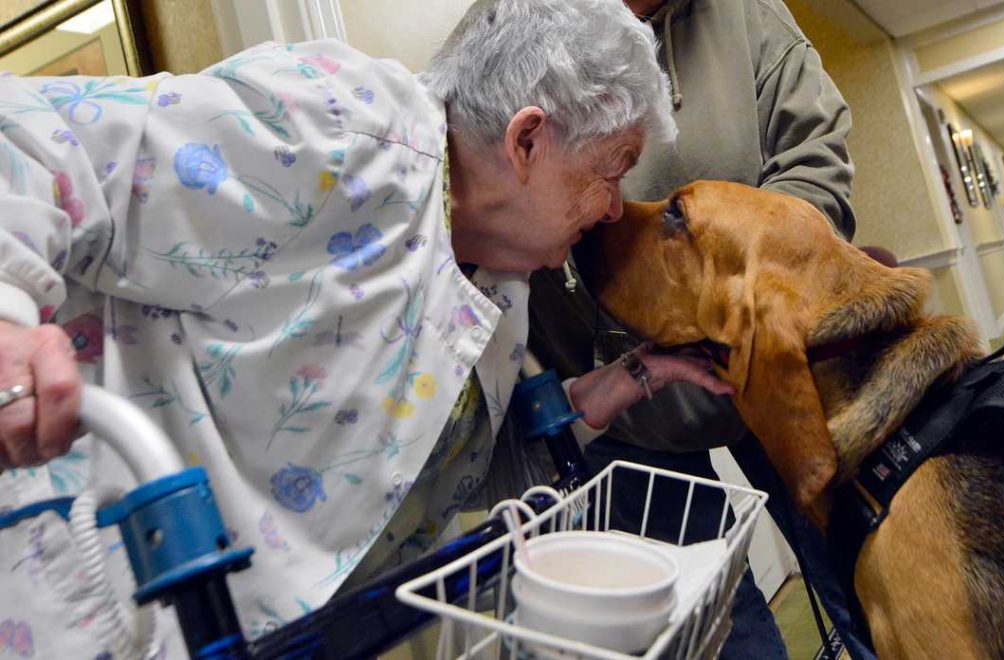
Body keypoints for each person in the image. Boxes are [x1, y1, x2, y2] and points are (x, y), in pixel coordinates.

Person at [0, 1, 736, 657]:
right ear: (527, 142)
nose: (613, 209)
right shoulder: (340, 125)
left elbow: (431, 487)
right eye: (612, 172)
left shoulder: (501, 289)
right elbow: (26, 136)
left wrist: (610, 389)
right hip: (96, 588)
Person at [528, 0, 876, 658]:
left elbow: (817, 166)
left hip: (765, 368)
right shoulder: (510, 25)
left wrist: (720, 306)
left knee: (860, 587)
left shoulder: (751, 15)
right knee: (708, 631)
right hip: (612, 410)